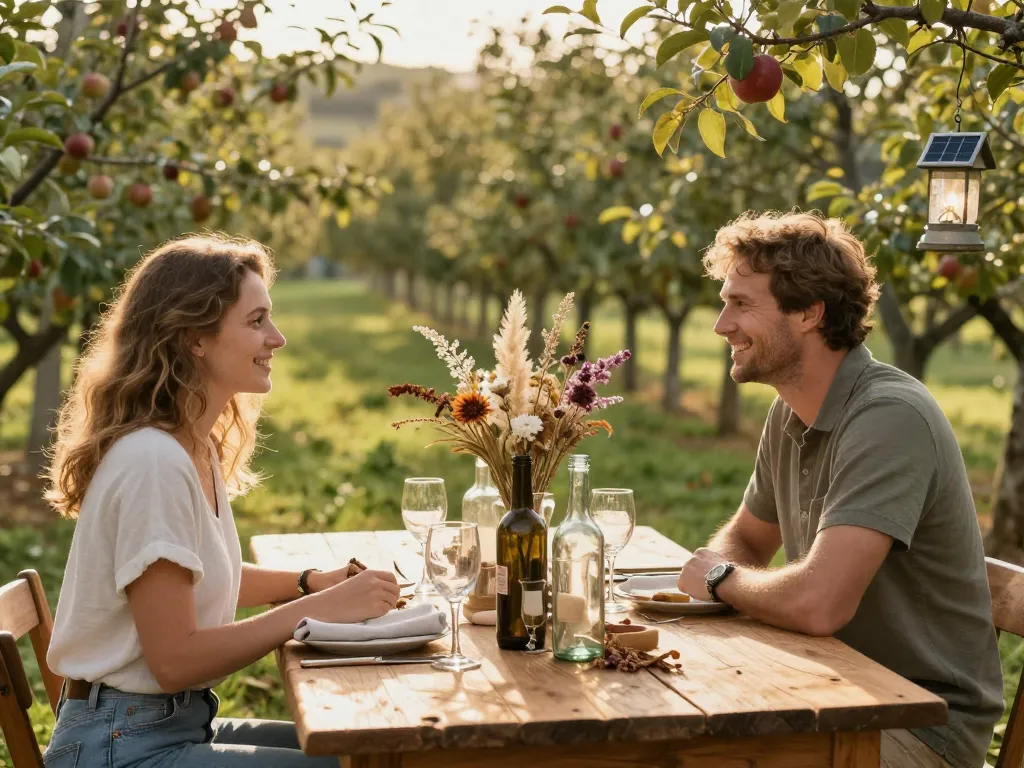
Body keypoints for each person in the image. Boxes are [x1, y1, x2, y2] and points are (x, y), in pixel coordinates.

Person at [43, 234, 400, 768]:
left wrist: (308, 582)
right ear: (195, 339)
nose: (277, 338)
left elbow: (194, 573)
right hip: (121, 749)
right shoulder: (153, 463)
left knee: (371, 745)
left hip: (155, 728)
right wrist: (317, 610)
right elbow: (175, 659)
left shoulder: (189, 445)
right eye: (256, 321)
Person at [676, 211, 1003, 768]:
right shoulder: (790, 412)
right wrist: (725, 570)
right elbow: (748, 539)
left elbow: (819, 604)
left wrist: (716, 578)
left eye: (741, 303)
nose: (721, 324)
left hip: (920, 726)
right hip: (831, 694)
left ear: (809, 312)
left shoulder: (888, 418)